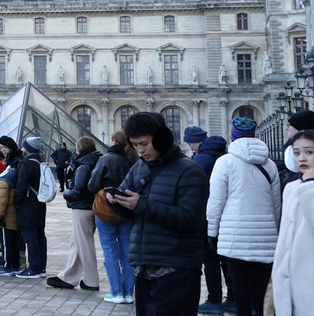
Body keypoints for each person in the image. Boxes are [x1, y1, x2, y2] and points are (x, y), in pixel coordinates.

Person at [107, 111, 208, 315]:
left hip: (176, 268)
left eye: (144, 143)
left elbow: (189, 218)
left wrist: (141, 205)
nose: (140, 150)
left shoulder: (190, 171)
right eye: (135, 145)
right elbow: (134, 214)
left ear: (162, 139)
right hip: (144, 267)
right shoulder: (139, 168)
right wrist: (116, 202)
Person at [205, 117, 278, 316]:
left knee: (239, 285)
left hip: (235, 235)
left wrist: (211, 231)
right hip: (265, 235)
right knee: (261, 286)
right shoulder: (270, 164)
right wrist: (276, 231)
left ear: (233, 135)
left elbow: (216, 202)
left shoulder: (225, 162)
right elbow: (276, 204)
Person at [272, 128, 314, 315]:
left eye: (309, 152)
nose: (302, 158)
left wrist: (312, 185)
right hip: (290, 285)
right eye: (296, 153)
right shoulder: (292, 188)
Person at [186, 124, 233, 314]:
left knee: (210, 260)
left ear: (194, 142)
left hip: (207, 215)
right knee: (227, 260)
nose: (189, 147)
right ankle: (233, 298)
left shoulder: (200, 160)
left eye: (190, 143)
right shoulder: (226, 157)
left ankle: (214, 300)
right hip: (228, 215)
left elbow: (193, 188)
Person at [48, 136, 101, 291]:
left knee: (85, 244)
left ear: (80, 148)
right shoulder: (95, 159)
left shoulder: (85, 165)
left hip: (83, 207)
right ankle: (69, 276)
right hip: (90, 206)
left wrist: (66, 194)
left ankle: (92, 281)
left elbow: (79, 190)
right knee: (77, 242)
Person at [89, 131, 136, 304]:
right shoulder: (134, 160)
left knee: (110, 251)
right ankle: (128, 293)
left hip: (106, 209)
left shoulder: (107, 159)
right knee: (126, 252)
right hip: (127, 210)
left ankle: (116, 292)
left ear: (114, 140)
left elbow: (92, 184)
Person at [13, 136, 49, 278]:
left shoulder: (26, 163)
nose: (21, 149)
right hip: (40, 203)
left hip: (28, 205)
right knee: (40, 235)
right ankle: (41, 267)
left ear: (28, 149)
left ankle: (33, 268)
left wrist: (16, 201)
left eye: (24, 147)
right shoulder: (39, 161)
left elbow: (21, 186)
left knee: (30, 237)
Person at [0, 136, 23, 276]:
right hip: (11, 205)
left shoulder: (15, 163)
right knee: (11, 238)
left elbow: (6, 189)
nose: (2, 150)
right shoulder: (11, 160)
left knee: (8, 239)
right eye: (1, 148)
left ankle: (9, 265)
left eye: (4, 148)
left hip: (9, 206)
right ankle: (13, 264)